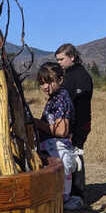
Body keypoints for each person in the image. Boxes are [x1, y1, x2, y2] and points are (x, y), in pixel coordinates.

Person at [34, 62, 77, 202]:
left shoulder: (61, 99)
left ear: (60, 80)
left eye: (49, 81)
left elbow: (61, 131)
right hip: (53, 148)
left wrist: (36, 123)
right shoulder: (56, 97)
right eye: (42, 83)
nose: (45, 86)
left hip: (57, 150)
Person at [55, 43, 93, 203]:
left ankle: (78, 195)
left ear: (72, 57)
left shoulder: (81, 76)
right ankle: (69, 191)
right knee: (69, 155)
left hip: (79, 125)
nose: (59, 62)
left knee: (75, 155)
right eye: (57, 60)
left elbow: (80, 106)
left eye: (61, 59)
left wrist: (73, 130)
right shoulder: (69, 75)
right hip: (71, 125)